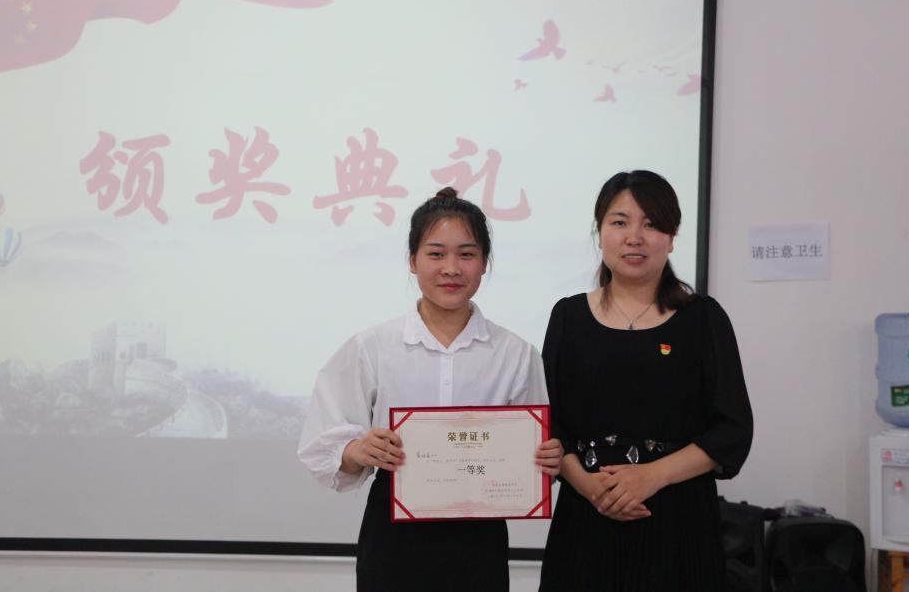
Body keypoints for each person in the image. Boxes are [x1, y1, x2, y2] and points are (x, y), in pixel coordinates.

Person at [298, 187, 562, 592]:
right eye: (436, 254)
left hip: (479, 537)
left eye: (467, 254)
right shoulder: (372, 347)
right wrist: (357, 450)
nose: (451, 268)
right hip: (394, 536)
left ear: (484, 262)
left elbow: (533, 454)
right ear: (412, 260)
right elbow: (323, 447)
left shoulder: (515, 353)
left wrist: (545, 459)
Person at [538, 170, 753, 591]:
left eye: (651, 224)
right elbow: (549, 423)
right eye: (619, 222)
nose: (634, 237)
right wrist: (587, 485)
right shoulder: (568, 317)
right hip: (587, 517)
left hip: (679, 522)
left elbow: (732, 430)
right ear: (600, 232)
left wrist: (652, 476)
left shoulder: (703, 319)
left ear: (671, 238)